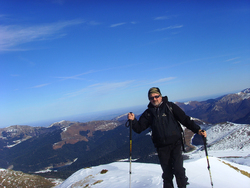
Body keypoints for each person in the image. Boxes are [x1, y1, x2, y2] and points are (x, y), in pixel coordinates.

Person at [127, 87, 207, 188]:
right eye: (152, 98)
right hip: (161, 147)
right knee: (167, 174)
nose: (154, 99)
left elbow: (185, 119)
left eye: (156, 96)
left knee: (179, 171)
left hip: (176, 144)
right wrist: (133, 121)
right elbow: (139, 129)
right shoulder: (148, 113)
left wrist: (198, 130)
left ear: (161, 96)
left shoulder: (170, 107)